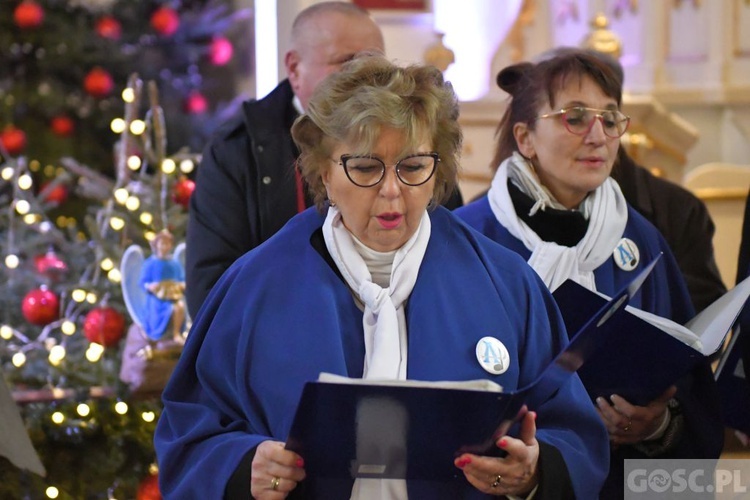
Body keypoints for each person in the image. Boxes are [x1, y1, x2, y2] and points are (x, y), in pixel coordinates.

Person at [154, 55, 609, 499]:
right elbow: (190, 433)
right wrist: (244, 466)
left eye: (412, 167)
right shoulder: (255, 287)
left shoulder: (506, 284)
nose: (392, 191)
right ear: (325, 172)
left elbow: (571, 431)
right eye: (367, 168)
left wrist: (531, 474)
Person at [454, 52, 724, 499]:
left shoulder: (643, 240)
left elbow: (691, 388)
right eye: (574, 118)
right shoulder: (469, 237)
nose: (598, 136)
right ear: (525, 138)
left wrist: (656, 423)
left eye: (611, 118)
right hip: (498, 480)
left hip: (624, 484)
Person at [184, 1, 463, 318]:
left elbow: (452, 253)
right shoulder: (238, 148)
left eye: (374, 65)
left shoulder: (419, 141)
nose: (364, 80)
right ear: (294, 69)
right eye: (346, 63)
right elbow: (212, 289)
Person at [139, 230, 186, 343]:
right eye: (162, 243)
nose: (165, 246)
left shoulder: (174, 263)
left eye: (167, 243)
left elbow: (181, 278)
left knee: (179, 306)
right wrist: (149, 286)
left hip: (172, 296)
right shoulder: (150, 264)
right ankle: (157, 334)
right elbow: (143, 282)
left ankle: (176, 334)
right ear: (156, 245)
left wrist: (182, 284)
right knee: (168, 310)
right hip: (157, 300)